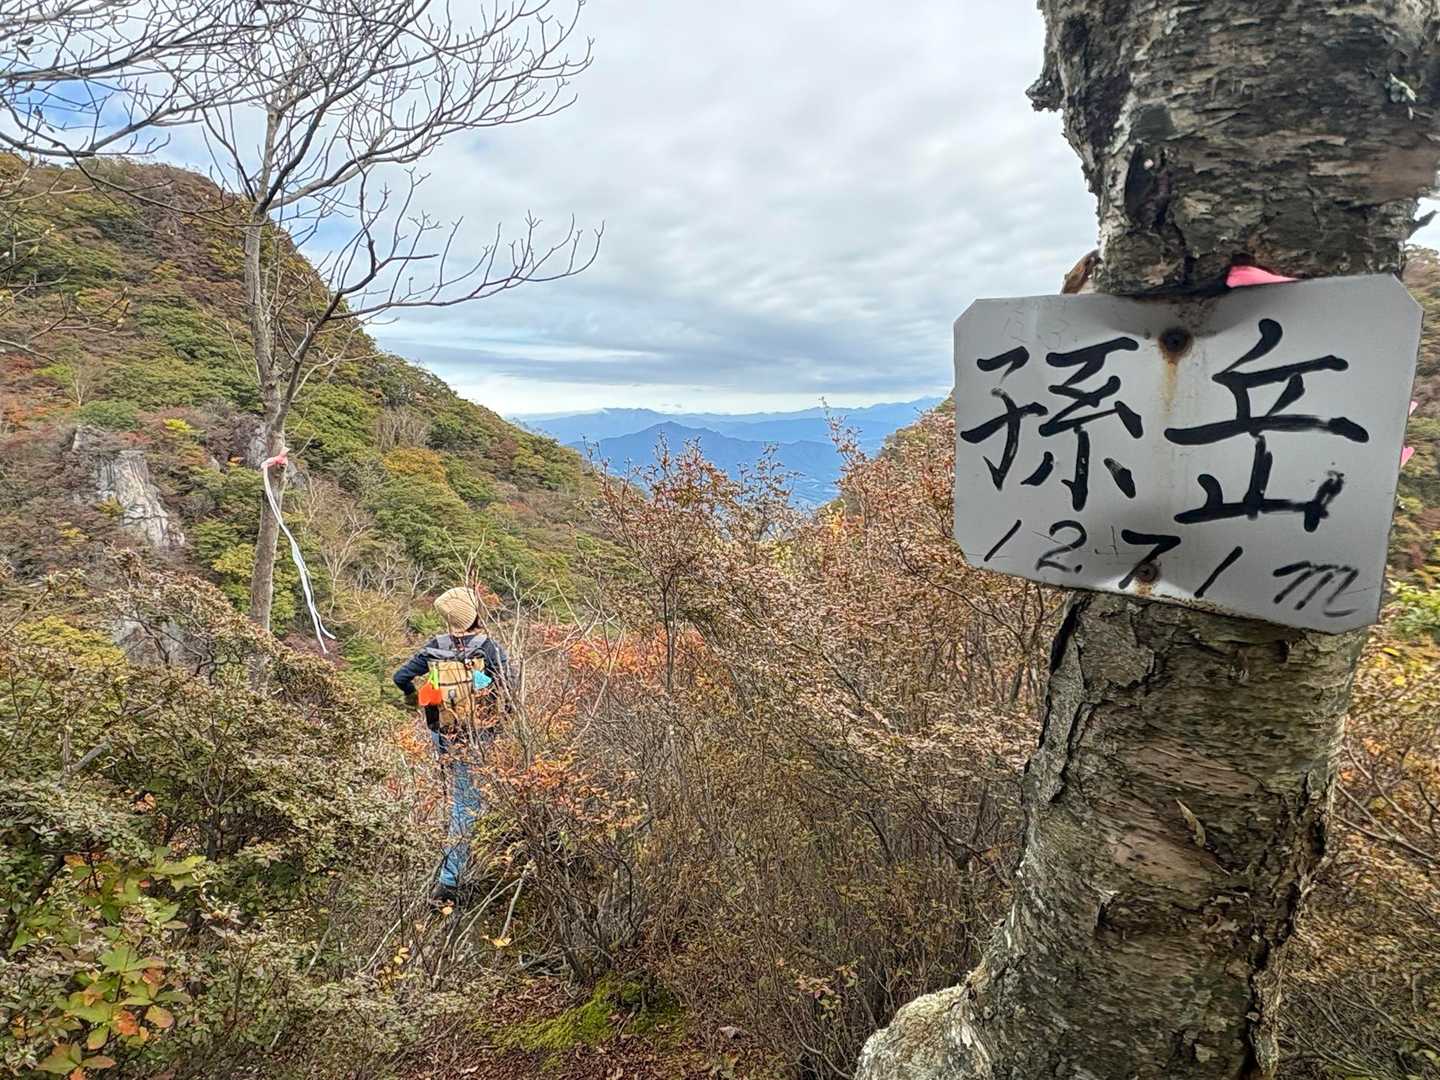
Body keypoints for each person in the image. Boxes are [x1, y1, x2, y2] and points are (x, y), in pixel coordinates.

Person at [392, 586, 511, 907]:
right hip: (477, 734)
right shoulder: (488, 648)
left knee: (461, 797)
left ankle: (458, 855)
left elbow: (400, 677)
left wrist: (415, 699)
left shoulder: (436, 646)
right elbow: (510, 690)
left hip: (443, 732)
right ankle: (448, 883)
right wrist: (500, 720)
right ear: (473, 614)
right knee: (466, 803)